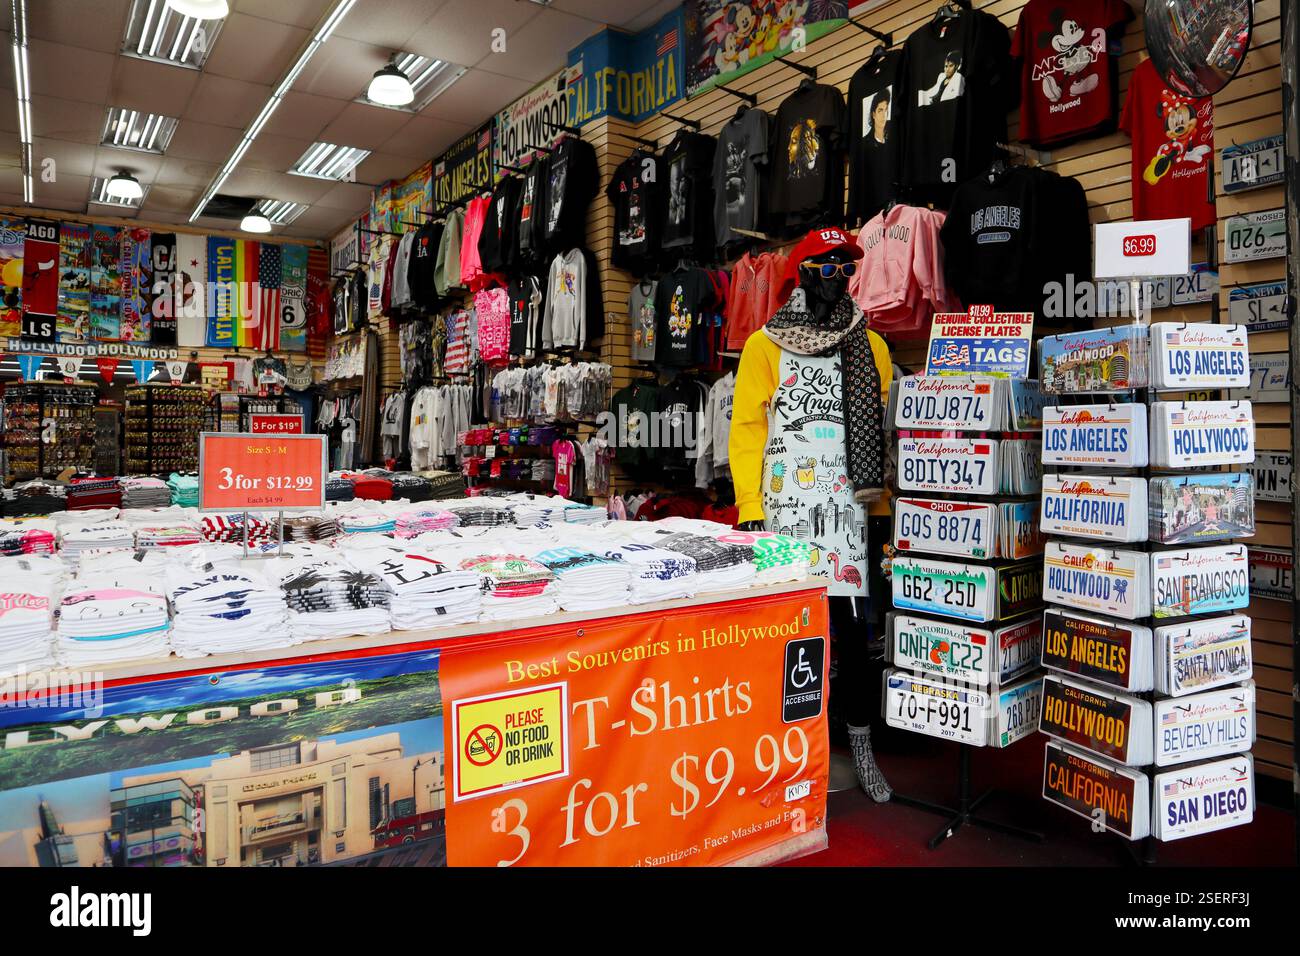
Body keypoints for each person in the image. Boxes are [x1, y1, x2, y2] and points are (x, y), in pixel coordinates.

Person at [730, 226, 894, 801]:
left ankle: (862, 746)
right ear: (800, 274)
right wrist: (749, 507)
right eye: (824, 266)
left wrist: (884, 512)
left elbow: (881, 432)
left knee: (854, 637)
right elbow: (748, 432)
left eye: (845, 267)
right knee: (789, 635)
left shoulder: (870, 346)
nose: (836, 277)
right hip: (783, 516)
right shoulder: (763, 346)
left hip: (849, 516)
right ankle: (794, 751)